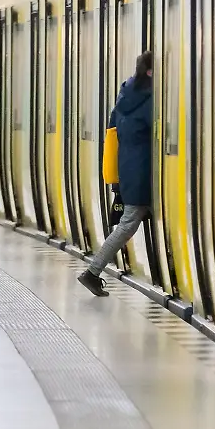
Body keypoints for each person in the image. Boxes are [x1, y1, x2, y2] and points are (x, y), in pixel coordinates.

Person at [78, 51, 153, 296]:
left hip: (128, 168)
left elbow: (114, 130)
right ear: (151, 72)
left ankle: (93, 272)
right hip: (143, 172)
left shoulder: (125, 95)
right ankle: (92, 272)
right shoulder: (150, 100)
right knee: (127, 224)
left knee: (127, 223)